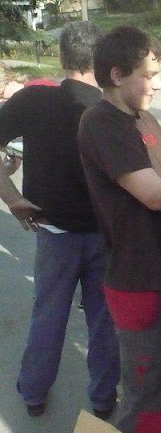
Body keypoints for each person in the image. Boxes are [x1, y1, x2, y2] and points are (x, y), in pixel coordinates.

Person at [78, 26, 161, 433]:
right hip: (139, 281)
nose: (158, 85)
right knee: (147, 396)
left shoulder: (146, 119)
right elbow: (156, 194)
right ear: (117, 75)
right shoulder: (102, 123)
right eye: (149, 75)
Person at [0, 21, 120, 419]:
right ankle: (103, 397)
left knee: (49, 315)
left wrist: (12, 198)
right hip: (105, 235)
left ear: (62, 57)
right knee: (104, 319)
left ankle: (34, 393)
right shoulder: (110, 108)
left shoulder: (34, 99)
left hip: (54, 232)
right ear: (101, 61)